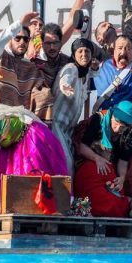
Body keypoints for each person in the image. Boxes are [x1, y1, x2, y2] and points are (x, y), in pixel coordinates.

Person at [0, 103, 68, 215]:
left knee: (35, 173)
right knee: (8, 174)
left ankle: (43, 209)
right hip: (21, 140)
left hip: (33, 140)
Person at [74, 101, 132, 220]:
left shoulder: (130, 134)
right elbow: (82, 147)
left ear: (130, 126)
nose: (118, 128)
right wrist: (97, 158)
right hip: (93, 166)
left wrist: (122, 178)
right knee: (121, 199)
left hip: (108, 171)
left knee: (125, 188)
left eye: (123, 127)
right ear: (112, 115)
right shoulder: (98, 120)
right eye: (116, 123)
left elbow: (123, 161)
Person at [0, 11, 44, 110]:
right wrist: (19, 23)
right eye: (17, 38)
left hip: (14, 120)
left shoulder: (29, 67)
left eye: (26, 39)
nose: (22, 42)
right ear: (9, 39)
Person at [52, 37, 99, 175]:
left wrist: (95, 68)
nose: (84, 54)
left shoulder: (85, 77)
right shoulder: (71, 68)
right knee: (66, 164)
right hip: (57, 125)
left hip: (69, 130)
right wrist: (64, 87)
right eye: (80, 51)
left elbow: (93, 72)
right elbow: (65, 78)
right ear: (74, 55)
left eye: (87, 51)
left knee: (72, 164)